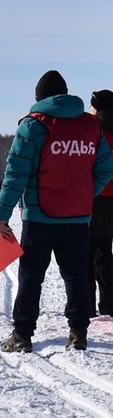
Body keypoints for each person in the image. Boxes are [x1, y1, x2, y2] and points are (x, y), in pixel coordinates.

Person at [0, 70, 113, 353]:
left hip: (39, 217)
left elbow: (15, 174)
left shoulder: (33, 125)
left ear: (39, 98)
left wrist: (2, 214)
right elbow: (106, 168)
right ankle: (78, 332)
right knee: (75, 274)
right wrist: (85, 194)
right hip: (78, 216)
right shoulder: (90, 125)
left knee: (31, 275)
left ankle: (22, 334)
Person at [88, 89, 113, 318]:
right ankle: (108, 304)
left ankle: (86, 305)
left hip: (96, 197)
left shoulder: (94, 129)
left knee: (87, 252)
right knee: (106, 251)